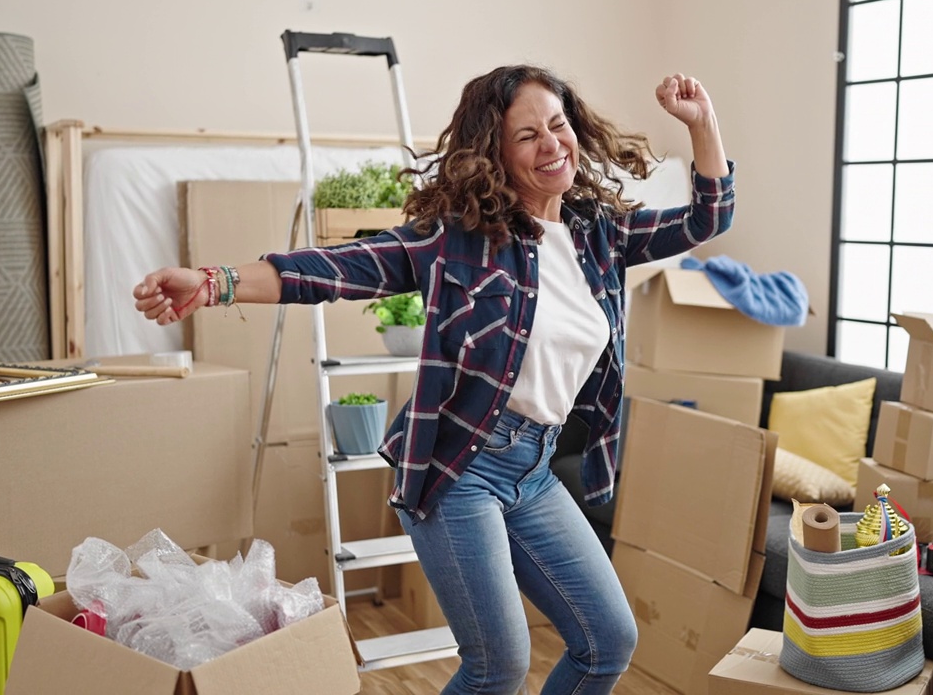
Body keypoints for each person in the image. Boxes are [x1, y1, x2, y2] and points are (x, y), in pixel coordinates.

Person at [132, 65, 732, 694]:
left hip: (534, 468)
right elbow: (334, 268)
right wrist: (213, 282)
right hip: (459, 468)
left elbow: (707, 218)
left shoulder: (599, 237)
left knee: (608, 640)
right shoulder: (459, 242)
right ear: (496, 155)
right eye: (527, 136)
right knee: (497, 666)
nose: (552, 145)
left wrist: (702, 123)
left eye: (558, 125)